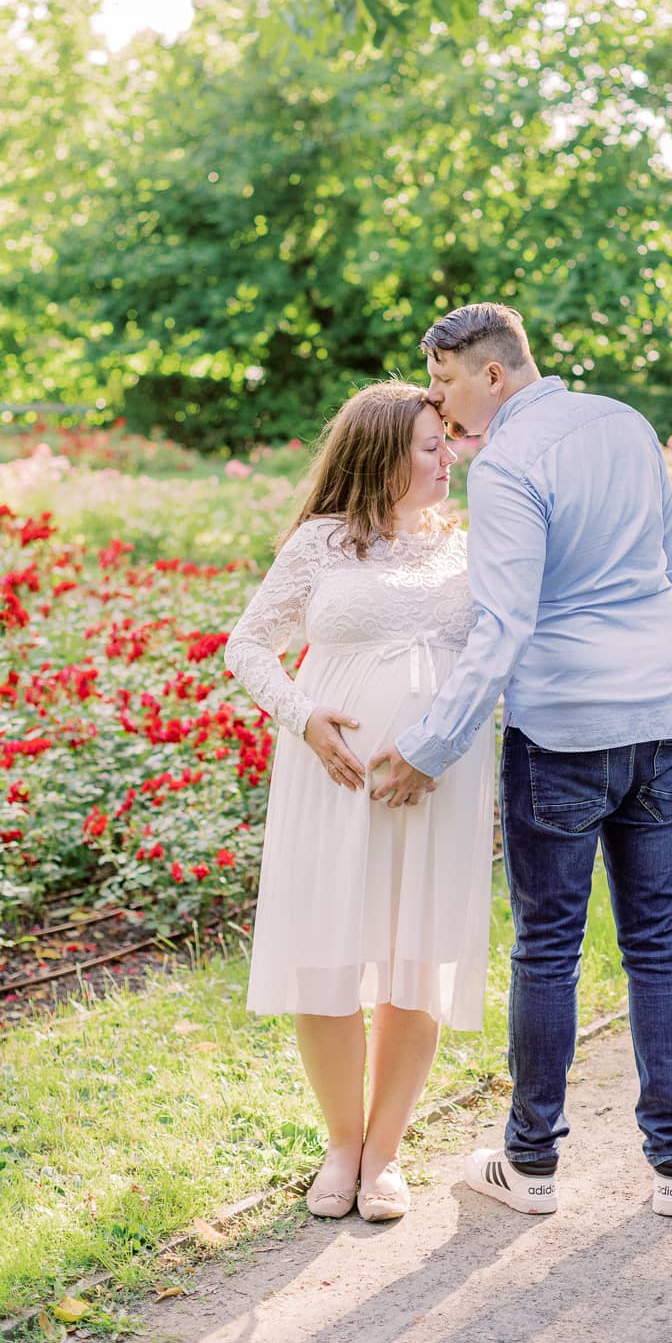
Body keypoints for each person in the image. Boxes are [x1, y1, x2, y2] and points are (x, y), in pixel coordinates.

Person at [370, 304, 672, 1218]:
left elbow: (504, 622)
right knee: (658, 940)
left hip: (561, 731)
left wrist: (429, 745)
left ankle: (531, 1166)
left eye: (442, 383)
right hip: (653, 719)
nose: (437, 405)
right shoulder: (626, 423)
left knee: (550, 947)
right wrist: (642, 661)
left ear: (492, 373)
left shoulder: (513, 461)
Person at [224, 382, 496, 1222]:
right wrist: (305, 720)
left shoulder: (468, 549)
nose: (445, 457)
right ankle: (341, 1143)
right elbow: (247, 645)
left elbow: (497, 660)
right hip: (331, 780)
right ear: (379, 452)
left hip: (435, 786)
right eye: (426, 445)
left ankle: (385, 1154)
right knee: (326, 959)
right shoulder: (322, 544)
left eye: (446, 441)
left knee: (416, 958)